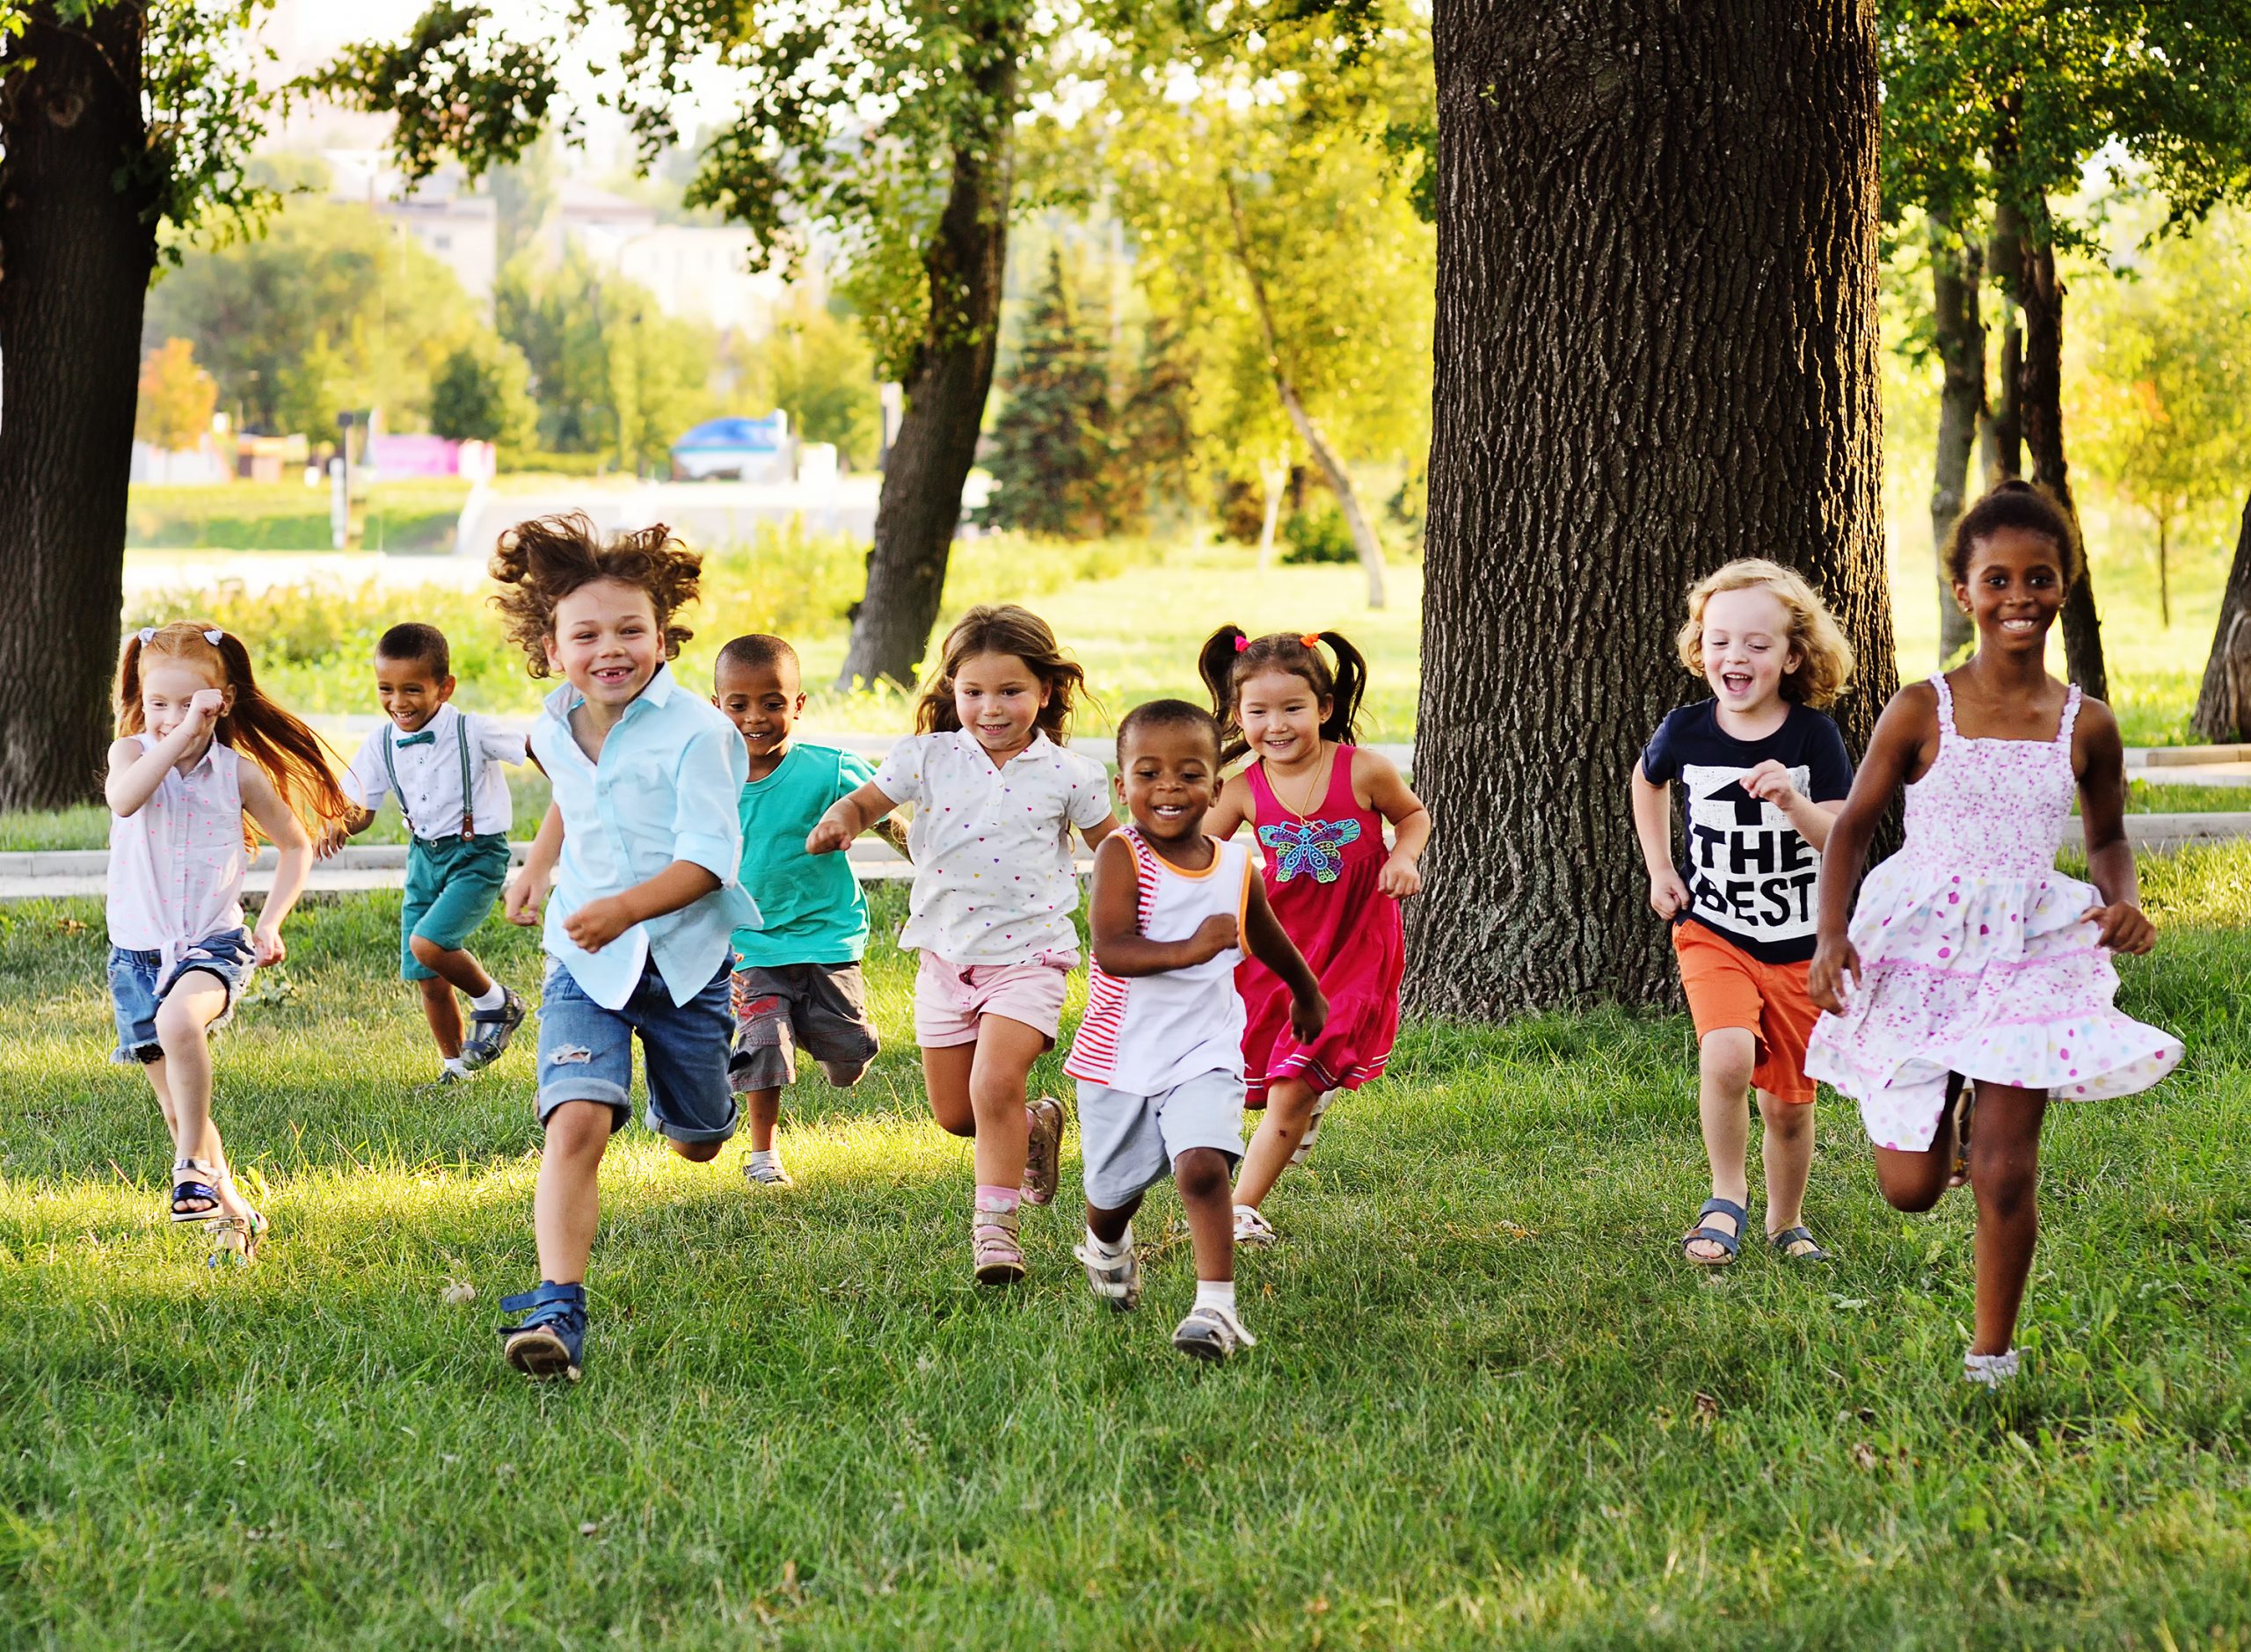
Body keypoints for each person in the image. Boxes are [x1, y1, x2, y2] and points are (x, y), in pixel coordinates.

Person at [1806, 482, 2182, 1387]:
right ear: (1965, 591)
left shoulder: (2084, 723)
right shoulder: (1920, 708)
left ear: (2065, 587)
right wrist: (1830, 936)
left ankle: (1991, 1355)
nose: (2019, 595)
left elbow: (2106, 836)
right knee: (1911, 1188)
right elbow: (1854, 824)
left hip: (2028, 949)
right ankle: (1948, 1098)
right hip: (1919, 938)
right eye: (1998, 578)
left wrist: (2120, 898)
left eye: (2040, 577)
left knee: (2008, 1170)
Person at [490, 514, 760, 1381]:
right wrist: (538, 866)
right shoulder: (555, 721)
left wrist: (621, 909)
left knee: (701, 1139)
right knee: (574, 1124)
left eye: (631, 630)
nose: (611, 648)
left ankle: (688, 1104)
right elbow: (577, 792)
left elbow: (709, 863)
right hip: (586, 963)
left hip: (682, 962)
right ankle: (558, 1307)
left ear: (663, 634)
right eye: (587, 634)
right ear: (550, 645)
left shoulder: (700, 732)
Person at [808, 604, 1118, 1284]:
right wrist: (842, 818)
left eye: (1010, 691)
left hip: (1031, 959)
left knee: (992, 1082)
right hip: (946, 960)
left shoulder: (1069, 774)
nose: (991, 707)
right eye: (973, 691)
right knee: (957, 1115)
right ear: (952, 690)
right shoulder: (928, 757)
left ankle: (995, 1234)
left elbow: (1118, 851)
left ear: (1045, 690)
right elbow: (867, 802)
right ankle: (1033, 1125)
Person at [1067, 700, 1326, 1360]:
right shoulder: (1123, 855)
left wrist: (1306, 992)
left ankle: (1216, 1308)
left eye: (1189, 773)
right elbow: (1114, 949)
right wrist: (1190, 947)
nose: (1169, 789)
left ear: (1217, 786)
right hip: (1119, 1057)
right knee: (1111, 1194)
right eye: (1148, 773)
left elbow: (1264, 934)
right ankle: (1105, 1243)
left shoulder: (1235, 865)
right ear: (1122, 786)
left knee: (1203, 1168)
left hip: (1204, 1048)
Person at [1630, 559, 1856, 1267]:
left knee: (1789, 1105)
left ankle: (1786, 1221)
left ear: (1793, 655)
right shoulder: (1686, 729)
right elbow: (1646, 781)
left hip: (1798, 943)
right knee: (1724, 1054)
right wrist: (1661, 867)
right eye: (1720, 640)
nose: (1737, 656)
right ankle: (1725, 1195)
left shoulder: (1813, 739)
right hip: (1714, 930)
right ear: (1701, 647)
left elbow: (1843, 836)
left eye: (1758, 645)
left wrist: (1792, 799)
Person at [105, 622, 352, 1263]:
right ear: (141, 698)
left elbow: (295, 846)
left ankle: (189, 1164)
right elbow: (127, 801)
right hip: (135, 954)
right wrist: (179, 733)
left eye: (187, 704)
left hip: (212, 943)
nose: (168, 717)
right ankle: (234, 1212)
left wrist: (269, 922)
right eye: (157, 702)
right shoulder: (129, 755)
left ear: (221, 702)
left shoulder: (236, 774)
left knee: (179, 1020)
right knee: (175, 1106)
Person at [1196, 628, 1429, 1248]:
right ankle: (1298, 1106)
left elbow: (1413, 815)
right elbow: (1198, 852)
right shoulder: (1243, 787)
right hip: (1279, 948)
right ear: (1236, 714)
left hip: (1356, 945)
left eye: (1293, 708)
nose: (1277, 724)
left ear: (1324, 708)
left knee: (1295, 1080)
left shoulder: (1364, 770)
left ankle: (1238, 1208)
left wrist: (1404, 856)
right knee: (1255, 1072)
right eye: (1258, 711)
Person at [711, 633, 892, 1188]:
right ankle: (763, 1156)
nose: (755, 717)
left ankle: (850, 1041)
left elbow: (886, 820)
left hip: (826, 937)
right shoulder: (704, 782)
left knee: (844, 1065)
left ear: (798, 704)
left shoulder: (831, 770)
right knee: (762, 1040)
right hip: (753, 945)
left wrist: (935, 866)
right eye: (738, 704)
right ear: (717, 707)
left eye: (772, 702)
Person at [332, 622, 528, 1086]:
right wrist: (336, 824)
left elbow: (532, 746)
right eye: (386, 688)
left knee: (429, 943)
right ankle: (456, 1068)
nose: (398, 702)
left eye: (412, 690)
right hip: (423, 858)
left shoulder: (472, 730)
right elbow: (361, 811)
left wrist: (574, 785)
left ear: (445, 687)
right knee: (428, 976)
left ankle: (497, 1002)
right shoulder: (380, 743)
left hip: (475, 857)